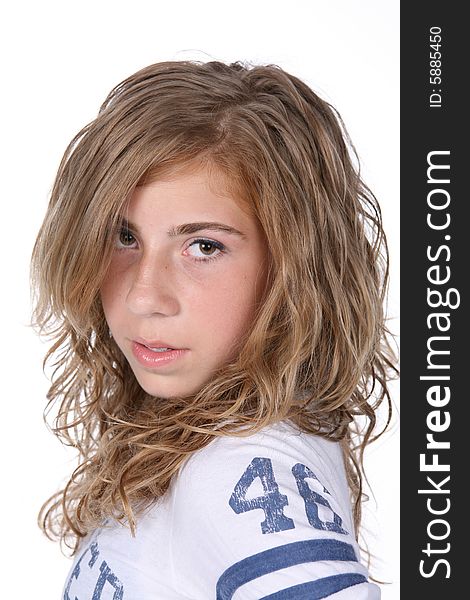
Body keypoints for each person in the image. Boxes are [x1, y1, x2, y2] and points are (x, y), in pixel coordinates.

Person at [30, 59, 397, 599]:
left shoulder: (239, 469)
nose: (143, 295)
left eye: (204, 246)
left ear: (291, 267)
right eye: (123, 236)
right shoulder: (223, 437)